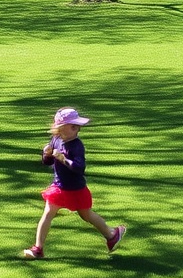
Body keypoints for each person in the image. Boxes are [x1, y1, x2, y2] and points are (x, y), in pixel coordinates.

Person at [21, 108, 126, 260]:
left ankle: (112, 234)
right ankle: (38, 249)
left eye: (77, 126)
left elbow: (79, 167)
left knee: (86, 215)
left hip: (76, 188)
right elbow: (47, 162)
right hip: (59, 187)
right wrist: (47, 154)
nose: (77, 128)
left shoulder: (77, 145)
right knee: (48, 212)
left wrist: (63, 159)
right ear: (60, 127)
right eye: (73, 126)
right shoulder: (56, 139)